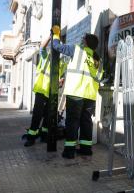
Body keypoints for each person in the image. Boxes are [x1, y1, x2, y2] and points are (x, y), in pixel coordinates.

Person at [51, 26, 104, 159]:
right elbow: (99, 78)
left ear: (86, 42)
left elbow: (56, 46)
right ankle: (86, 149)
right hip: (90, 96)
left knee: (72, 122)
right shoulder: (98, 60)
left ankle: (69, 151)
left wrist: (57, 34)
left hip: (76, 93)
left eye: (83, 39)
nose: (81, 40)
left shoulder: (77, 50)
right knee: (86, 122)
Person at [23, 37, 67, 147]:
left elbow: (61, 78)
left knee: (49, 116)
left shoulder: (62, 63)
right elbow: (42, 48)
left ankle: (44, 135)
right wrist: (49, 37)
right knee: (37, 115)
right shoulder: (46, 57)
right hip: (42, 91)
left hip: (52, 92)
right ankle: (31, 137)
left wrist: (61, 82)